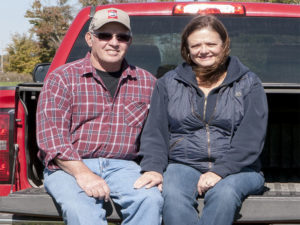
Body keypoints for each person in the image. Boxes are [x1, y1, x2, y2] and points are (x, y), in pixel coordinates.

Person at [134, 15, 268, 225]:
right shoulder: (168, 83)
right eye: (196, 45)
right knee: (173, 196)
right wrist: (153, 168)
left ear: (224, 45)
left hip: (240, 170)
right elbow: (155, 133)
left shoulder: (249, 83)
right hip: (182, 164)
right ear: (186, 49)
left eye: (211, 44)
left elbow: (251, 138)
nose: (203, 50)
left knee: (224, 193)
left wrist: (220, 171)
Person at [36, 8, 163, 225]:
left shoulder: (147, 82)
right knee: (81, 210)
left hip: (125, 167)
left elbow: (155, 136)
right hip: (70, 165)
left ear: (129, 41)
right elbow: (52, 138)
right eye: (105, 35)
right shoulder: (62, 78)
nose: (114, 42)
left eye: (121, 37)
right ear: (89, 38)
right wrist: (83, 173)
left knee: (150, 200)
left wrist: (155, 169)